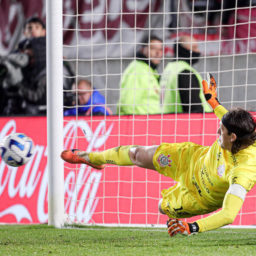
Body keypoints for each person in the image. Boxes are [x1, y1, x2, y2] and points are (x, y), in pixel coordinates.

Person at [61, 73, 256, 236]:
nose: (217, 132)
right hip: (190, 159)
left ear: (233, 137)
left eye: (220, 131)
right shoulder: (238, 130)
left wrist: (192, 227)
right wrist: (213, 102)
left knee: (162, 207)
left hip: (199, 197)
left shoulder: (245, 169)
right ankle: (90, 158)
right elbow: (223, 115)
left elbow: (229, 214)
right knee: (137, 154)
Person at [0, 16, 47, 115]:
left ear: (44, 32)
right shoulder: (17, 54)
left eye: (37, 27)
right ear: (24, 32)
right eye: (29, 28)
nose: (33, 30)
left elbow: (37, 95)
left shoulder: (52, 57)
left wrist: (18, 84)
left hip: (37, 108)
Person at [160, 35, 212, 113]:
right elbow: (193, 105)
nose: (198, 51)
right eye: (194, 47)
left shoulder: (168, 69)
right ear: (184, 50)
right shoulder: (185, 72)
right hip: (185, 121)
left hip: (168, 118)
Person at [117, 35, 163, 115]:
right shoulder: (138, 70)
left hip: (151, 123)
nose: (158, 53)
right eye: (153, 48)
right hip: (141, 124)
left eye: (160, 49)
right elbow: (128, 105)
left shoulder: (150, 70)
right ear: (142, 50)